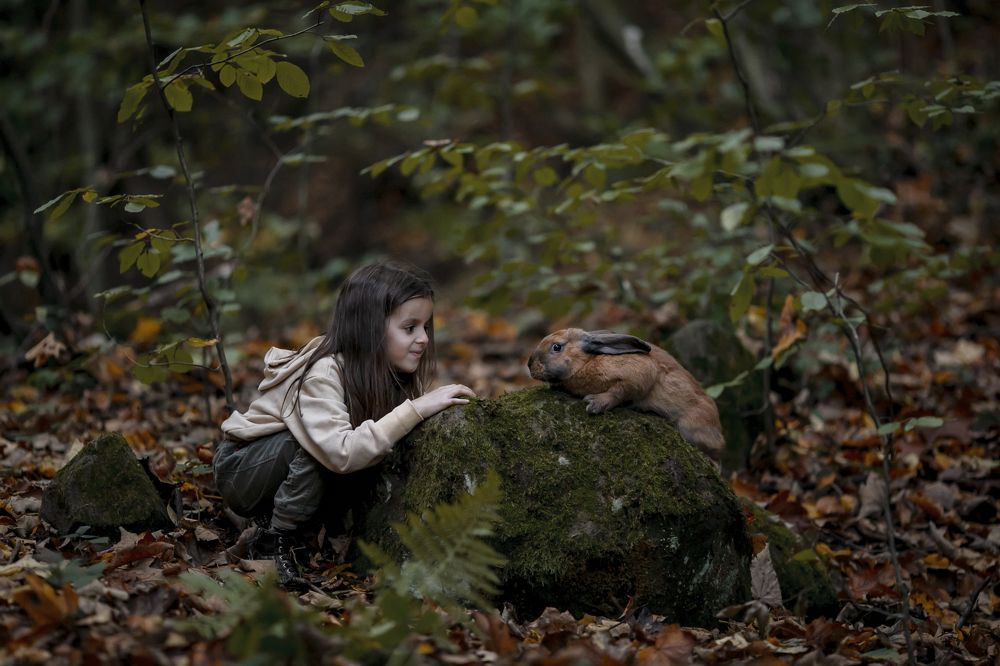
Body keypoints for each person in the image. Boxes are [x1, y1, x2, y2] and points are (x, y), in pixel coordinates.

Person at [213, 261, 475, 589]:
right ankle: (273, 540)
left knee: (378, 441)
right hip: (242, 471)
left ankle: (301, 522)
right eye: (410, 328)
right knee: (316, 447)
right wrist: (416, 409)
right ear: (370, 328)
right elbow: (340, 453)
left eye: (425, 326)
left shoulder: (391, 376)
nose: (423, 338)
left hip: (282, 470)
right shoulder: (324, 371)